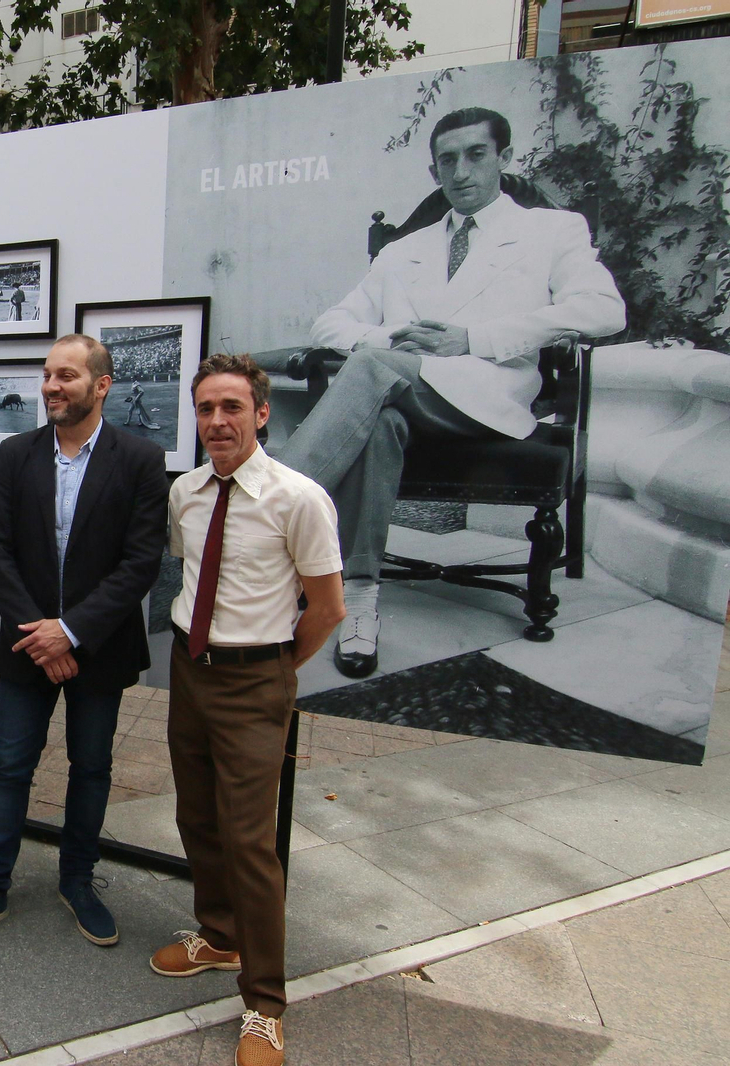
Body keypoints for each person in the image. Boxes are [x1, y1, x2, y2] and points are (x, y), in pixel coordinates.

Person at [281, 106, 625, 678]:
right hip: (406, 394)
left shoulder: (551, 231)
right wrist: (396, 337)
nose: (461, 171)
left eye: (476, 155)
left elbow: (603, 310)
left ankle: (265, 516)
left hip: (487, 400)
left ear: (504, 158)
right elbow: (330, 324)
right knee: (379, 421)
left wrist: (475, 338)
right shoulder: (402, 250)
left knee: (367, 371)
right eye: (447, 160)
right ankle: (359, 599)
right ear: (434, 168)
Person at [0, 334, 166, 953]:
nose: (52, 386)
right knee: (9, 766)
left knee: (91, 769)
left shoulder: (141, 458)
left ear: (102, 385)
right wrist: (43, 633)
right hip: (27, 645)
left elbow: (139, 563)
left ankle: (78, 881)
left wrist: (73, 630)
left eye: (66, 375)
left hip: (101, 647)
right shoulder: (15, 454)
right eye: (47, 375)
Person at [153, 353, 345, 1066]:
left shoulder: (299, 499)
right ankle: (219, 933)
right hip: (189, 669)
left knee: (250, 843)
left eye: (232, 407)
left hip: (254, 679)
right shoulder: (187, 493)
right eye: (206, 409)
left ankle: (264, 1002)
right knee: (195, 814)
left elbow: (326, 609)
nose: (217, 421)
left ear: (262, 414)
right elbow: (192, 572)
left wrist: (272, 673)